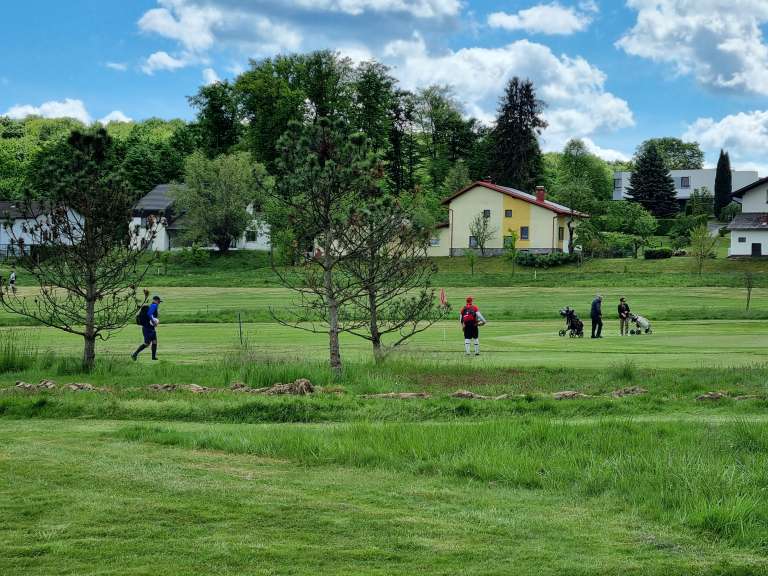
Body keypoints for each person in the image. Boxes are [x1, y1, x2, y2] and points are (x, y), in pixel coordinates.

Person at [132, 295, 162, 361]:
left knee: (154, 341)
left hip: (150, 328)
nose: (159, 303)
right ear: (155, 300)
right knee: (147, 343)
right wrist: (154, 321)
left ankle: (153, 357)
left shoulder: (153, 306)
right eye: (158, 302)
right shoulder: (153, 306)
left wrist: (153, 321)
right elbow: (149, 314)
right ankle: (134, 354)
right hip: (147, 328)